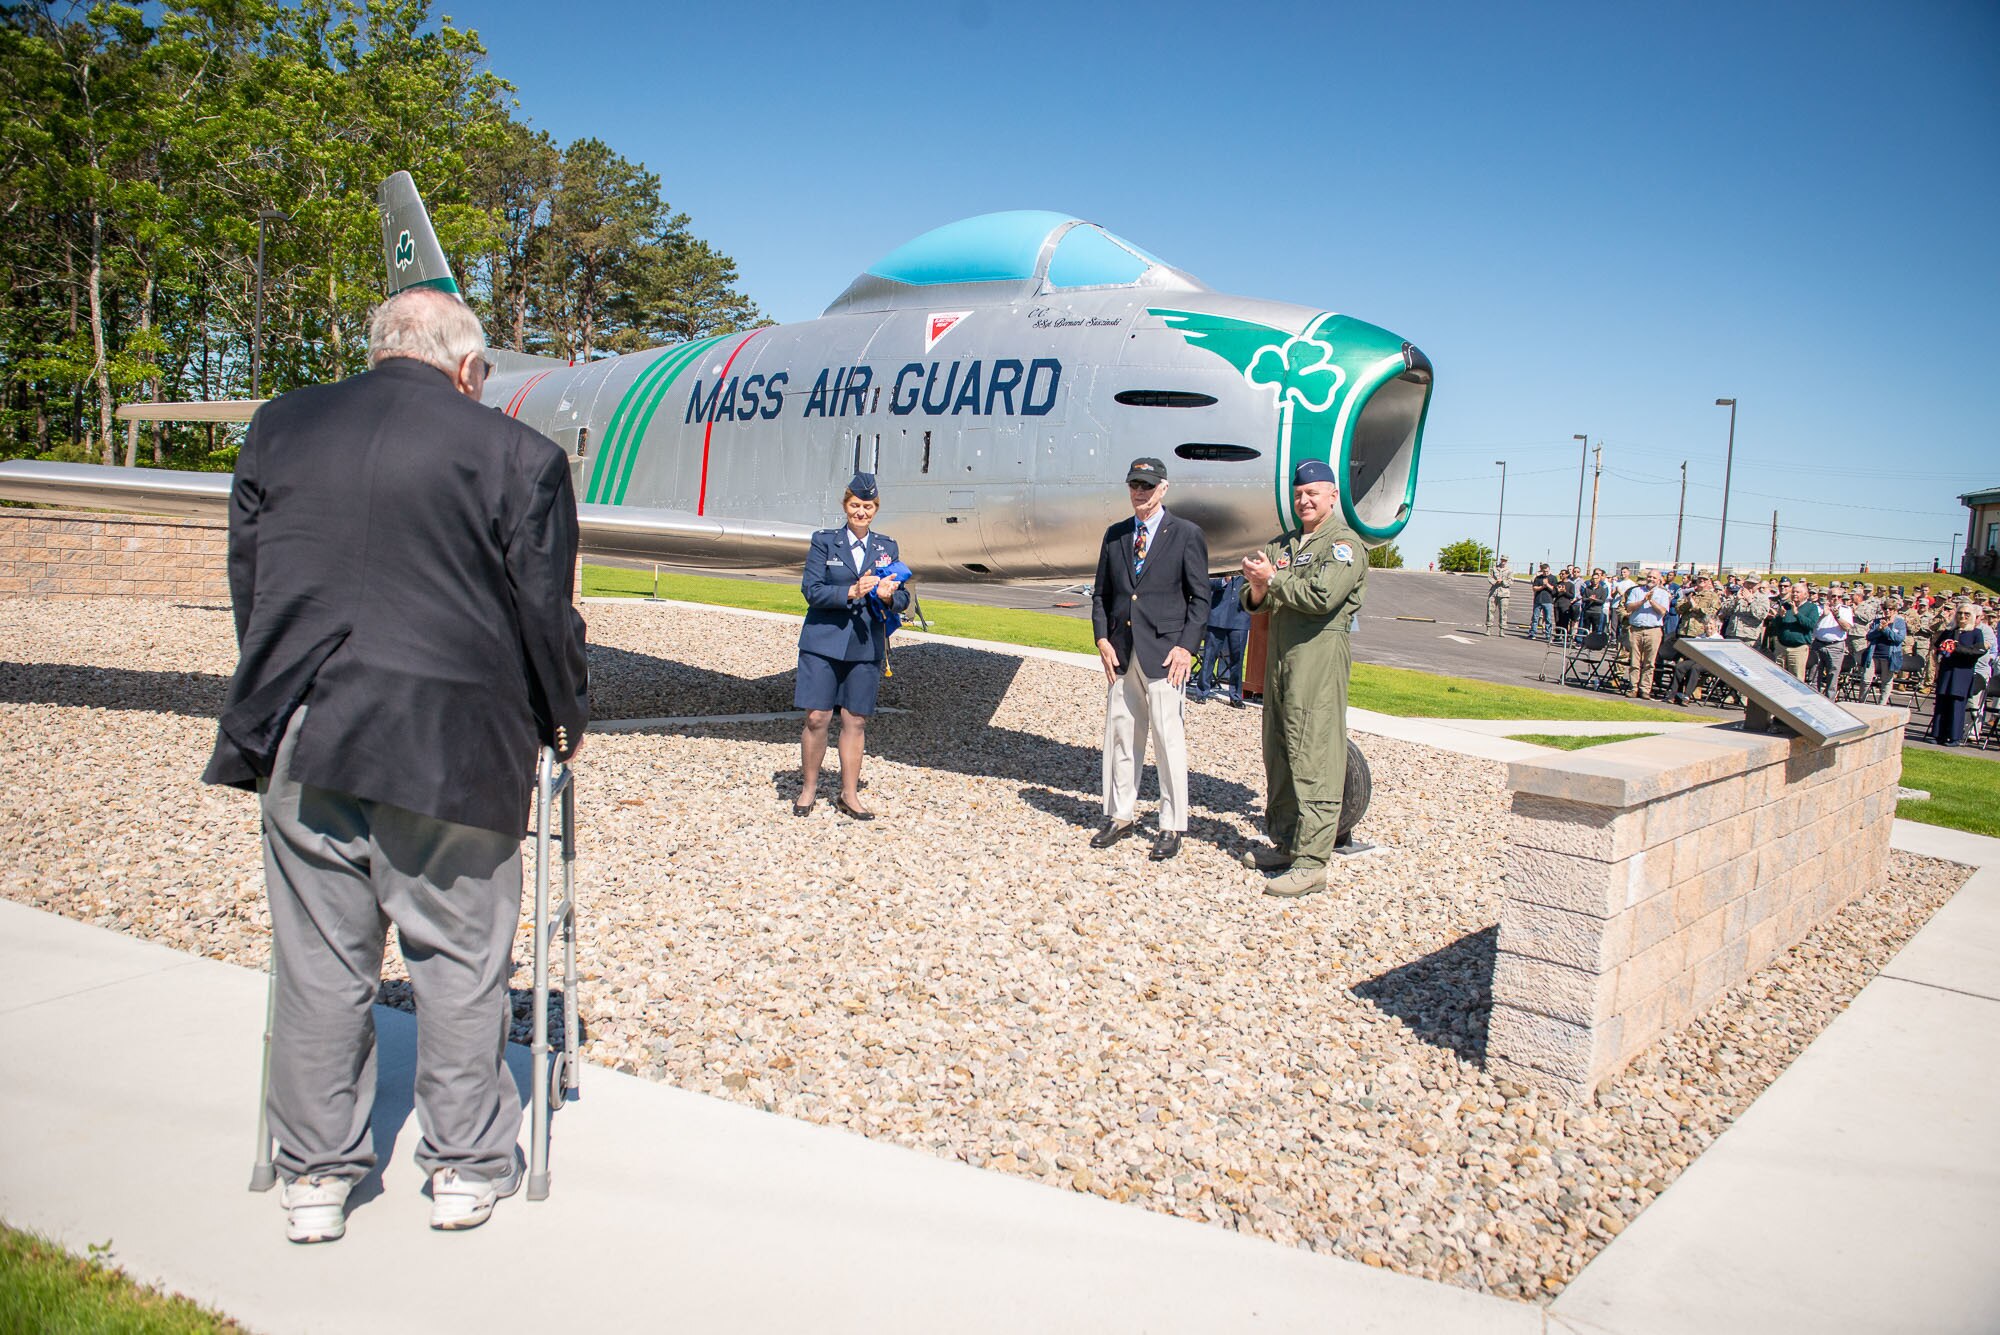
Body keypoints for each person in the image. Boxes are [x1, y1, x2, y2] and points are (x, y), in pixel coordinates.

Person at [203, 287, 589, 1243]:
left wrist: (282, 687)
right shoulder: (518, 455)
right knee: (459, 962)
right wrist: (563, 718)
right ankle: (464, 1167)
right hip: (455, 745)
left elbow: (251, 585)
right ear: (467, 367)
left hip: (309, 727)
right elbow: (545, 614)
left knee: (319, 964)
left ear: (383, 349)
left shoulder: (280, 427)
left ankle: (315, 1179)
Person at [1238, 460, 1366, 898]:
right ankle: (1289, 842)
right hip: (1279, 659)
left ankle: (1313, 863)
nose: (1304, 500)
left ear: (1333, 495)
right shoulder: (1285, 544)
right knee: (1280, 751)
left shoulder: (1344, 544)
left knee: (1314, 756)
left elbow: (1322, 595)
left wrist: (1272, 579)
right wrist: (1259, 586)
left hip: (1318, 658)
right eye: (1299, 494)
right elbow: (1252, 599)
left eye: (1314, 493)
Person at [1089, 456, 1210, 861]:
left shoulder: (1186, 535)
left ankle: (1171, 825)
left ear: (1163, 488)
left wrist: (1186, 647)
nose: (1140, 492)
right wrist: (1102, 638)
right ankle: (1120, 815)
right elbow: (1102, 595)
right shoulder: (1115, 535)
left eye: (1147, 485)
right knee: (1122, 736)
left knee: (1167, 739)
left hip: (1165, 655)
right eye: (1134, 485)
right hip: (1122, 652)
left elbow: (1200, 599)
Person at [795, 473, 909, 818]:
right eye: (856, 505)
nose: (861, 512)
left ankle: (849, 794)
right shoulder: (824, 542)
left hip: (864, 644)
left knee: (855, 721)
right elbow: (811, 591)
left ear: (875, 510)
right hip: (823, 641)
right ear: (845, 506)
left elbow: (903, 598)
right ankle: (809, 789)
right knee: (817, 717)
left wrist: (890, 598)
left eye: (868, 506)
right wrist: (850, 591)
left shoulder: (886, 548)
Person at [1931, 603, 1994, 746]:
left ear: (1972, 617)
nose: (1962, 617)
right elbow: (1938, 647)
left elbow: (1975, 652)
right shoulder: (1949, 631)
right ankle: (1938, 734)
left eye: (1967, 614)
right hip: (1947, 672)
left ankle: (1954, 737)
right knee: (1941, 704)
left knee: (1957, 706)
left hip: (1962, 674)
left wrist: (1957, 648)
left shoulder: (1976, 633)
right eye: (1960, 613)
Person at [1195, 572, 1251, 706]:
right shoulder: (1223, 564)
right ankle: (1202, 692)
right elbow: (1207, 583)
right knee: (1209, 657)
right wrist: (1224, 581)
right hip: (1217, 617)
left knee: (1237, 659)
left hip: (1240, 619)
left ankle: (1236, 696)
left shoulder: (1248, 568)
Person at [1668, 572, 1722, 704]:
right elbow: (1678, 609)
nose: (1701, 581)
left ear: (1709, 581)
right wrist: (1688, 602)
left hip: (1699, 634)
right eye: (1699, 579)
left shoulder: (1713, 596)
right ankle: (1676, 693)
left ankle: (1690, 693)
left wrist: (1696, 607)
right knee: (1680, 664)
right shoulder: (1690, 593)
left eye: (1704, 579)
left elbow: (1711, 613)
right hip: (1684, 632)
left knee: (1695, 665)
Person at [1622, 570, 1670, 699]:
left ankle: (1645, 689)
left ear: (1659, 580)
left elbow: (1662, 611)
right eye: (1649, 577)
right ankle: (1633, 687)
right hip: (1636, 629)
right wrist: (1643, 601)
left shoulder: (1663, 594)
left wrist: (1651, 601)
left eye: (1654, 577)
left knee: (1649, 662)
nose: (1651, 579)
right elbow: (1629, 607)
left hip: (1653, 630)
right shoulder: (1636, 591)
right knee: (1634, 661)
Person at [1862, 597, 1908, 703]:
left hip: (1889, 656)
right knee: (1866, 679)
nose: (1887, 611)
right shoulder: (1878, 621)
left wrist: (1886, 630)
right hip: (1874, 654)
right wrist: (1879, 630)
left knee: (1886, 681)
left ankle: (1882, 704)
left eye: (1890, 609)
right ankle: (1861, 701)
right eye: (1885, 608)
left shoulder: (1900, 623)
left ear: (1895, 610)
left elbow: (1898, 639)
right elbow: (1869, 636)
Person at [1485, 555, 1512, 637]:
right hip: (1494, 592)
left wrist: (1503, 581)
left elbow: (1511, 581)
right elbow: (1489, 577)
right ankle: (1488, 628)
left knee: (1503, 612)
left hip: (1504, 593)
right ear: (1500, 560)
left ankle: (1502, 630)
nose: (1503, 561)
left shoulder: (1509, 570)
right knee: (1490, 610)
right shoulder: (1494, 568)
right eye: (1502, 560)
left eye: (1505, 560)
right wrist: (1496, 581)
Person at [1530, 563, 1557, 640]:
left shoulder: (1553, 578)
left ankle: (1548, 634)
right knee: (1535, 617)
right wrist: (1542, 587)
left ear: (1549, 570)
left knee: (1548, 618)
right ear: (1542, 571)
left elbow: (1554, 589)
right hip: (1538, 600)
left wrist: (1547, 584)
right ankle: (1532, 633)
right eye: (1544, 571)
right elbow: (1534, 588)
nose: (1546, 573)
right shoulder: (1538, 578)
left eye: (1547, 571)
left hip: (1548, 601)